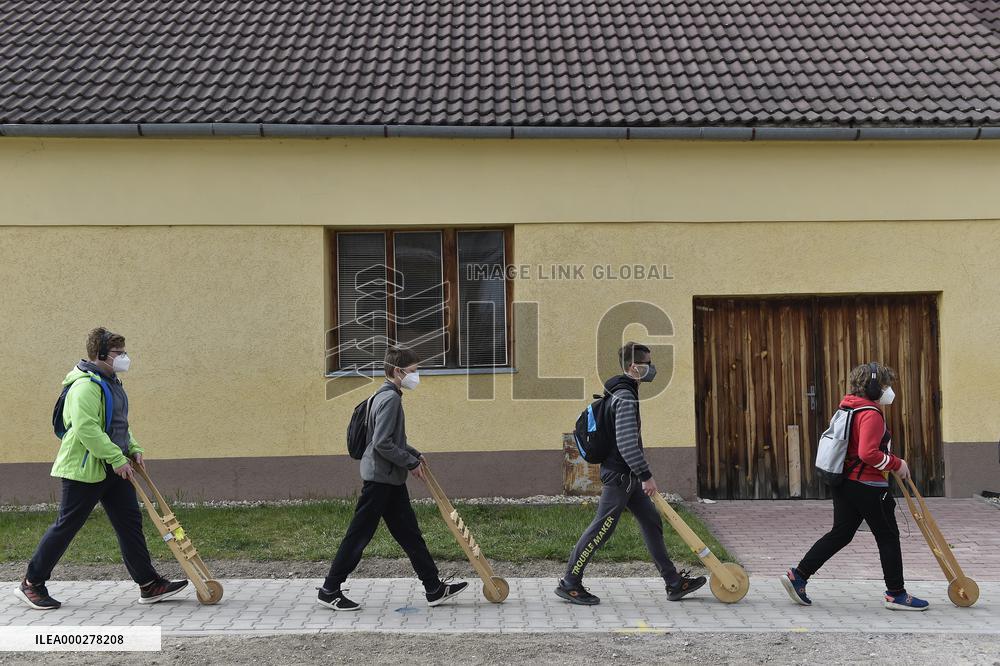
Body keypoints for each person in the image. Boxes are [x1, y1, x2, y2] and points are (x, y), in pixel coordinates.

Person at [15, 328, 188, 610]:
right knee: (67, 526)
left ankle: (148, 584)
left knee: (130, 523)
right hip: (84, 468)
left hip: (113, 465)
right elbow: (87, 428)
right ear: (101, 354)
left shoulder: (111, 382)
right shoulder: (85, 386)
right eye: (119, 353)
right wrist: (116, 458)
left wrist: (132, 448)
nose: (125, 357)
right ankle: (31, 583)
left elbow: (118, 423)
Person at [318, 346, 468, 610]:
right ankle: (330, 589)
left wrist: (414, 453)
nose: (416, 376)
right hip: (380, 480)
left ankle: (433, 588)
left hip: (390, 479)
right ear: (397, 371)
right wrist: (410, 463)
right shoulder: (390, 399)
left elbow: (392, 439)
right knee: (359, 535)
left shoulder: (383, 394)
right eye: (412, 371)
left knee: (410, 534)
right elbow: (382, 443)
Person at [556, 342, 706, 605]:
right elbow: (626, 444)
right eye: (647, 363)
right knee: (601, 529)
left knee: (651, 522)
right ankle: (570, 582)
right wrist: (645, 474)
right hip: (621, 477)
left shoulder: (623, 392)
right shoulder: (624, 397)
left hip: (628, 477)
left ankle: (673, 582)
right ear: (634, 367)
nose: (652, 368)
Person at [780, 362, 929, 611]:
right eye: (884, 385)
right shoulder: (870, 413)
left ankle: (799, 575)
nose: (888, 390)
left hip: (845, 481)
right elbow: (868, 453)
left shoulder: (848, 407)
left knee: (842, 532)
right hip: (867, 483)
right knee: (888, 536)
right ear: (872, 387)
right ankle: (897, 594)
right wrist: (896, 463)